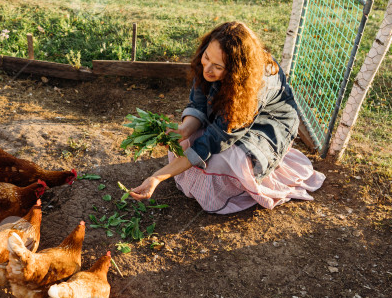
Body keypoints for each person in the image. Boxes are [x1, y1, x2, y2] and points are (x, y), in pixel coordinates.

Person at [129, 21, 325, 213]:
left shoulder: (256, 84)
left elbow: (213, 140)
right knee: (184, 144)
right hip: (231, 118)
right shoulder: (208, 62)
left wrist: (157, 177)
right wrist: (183, 130)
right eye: (206, 57)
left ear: (236, 72)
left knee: (223, 160)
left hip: (267, 127)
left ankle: (253, 179)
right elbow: (198, 104)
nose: (207, 69)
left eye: (218, 66)